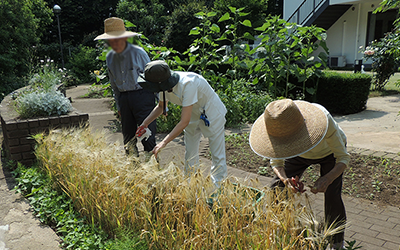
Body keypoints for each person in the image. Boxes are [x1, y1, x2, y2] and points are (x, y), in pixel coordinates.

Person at [249, 99, 349, 250]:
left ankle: (336, 242)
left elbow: (343, 158)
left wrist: (328, 178)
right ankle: (280, 229)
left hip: (329, 152)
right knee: (277, 187)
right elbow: (276, 163)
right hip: (297, 154)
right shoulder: (277, 125)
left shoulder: (323, 119)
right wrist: (285, 179)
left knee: (332, 194)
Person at [136, 60, 227, 187]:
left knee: (217, 155)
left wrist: (164, 142)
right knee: (190, 152)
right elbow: (161, 106)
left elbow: (184, 121)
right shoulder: (164, 85)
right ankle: (190, 186)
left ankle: (218, 189)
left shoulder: (188, 84)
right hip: (193, 113)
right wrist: (145, 123)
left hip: (211, 112)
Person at [94, 17, 156, 156]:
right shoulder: (110, 57)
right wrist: (119, 105)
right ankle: (133, 171)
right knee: (128, 138)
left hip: (142, 96)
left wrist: (163, 105)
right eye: (111, 40)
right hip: (124, 98)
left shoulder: (139, 53)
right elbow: (114, 85)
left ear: (125, 38)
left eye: (117, 39)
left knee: (148, 136)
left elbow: (152, 78)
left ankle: (153, 169)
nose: (114, 43)